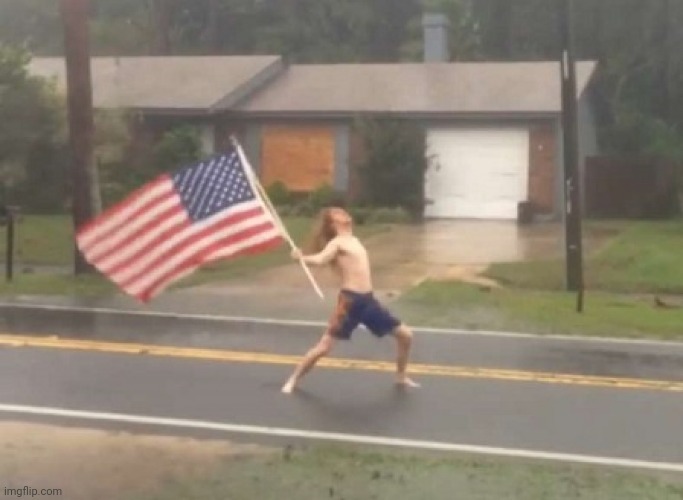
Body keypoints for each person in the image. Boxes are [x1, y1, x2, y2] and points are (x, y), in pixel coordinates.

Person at [281, 207, 419, 394]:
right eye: (338, 213)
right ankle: (293, 380)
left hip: (369, 302)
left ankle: (401, 376)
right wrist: (301, 258)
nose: (344, 213)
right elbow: (321, 259)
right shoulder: (337, 243)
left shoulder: (354, 240)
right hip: (350, 302)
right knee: (324, 347)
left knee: (406, 336)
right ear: (333, 223)